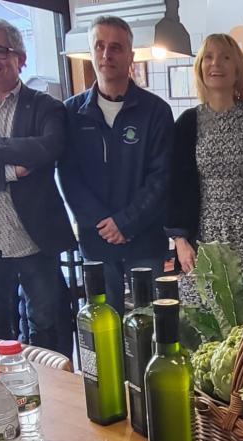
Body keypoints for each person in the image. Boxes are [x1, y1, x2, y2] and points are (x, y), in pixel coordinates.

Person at [0, 17, 76, 349]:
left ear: (20, 58)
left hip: (34, 234)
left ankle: (49, 392)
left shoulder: (46, 106)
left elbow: (47, 148)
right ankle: (6, 395)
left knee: (45, 322)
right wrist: (9, 171)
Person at [60, 15, 174, 317]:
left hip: (145, 241)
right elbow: (69, 177)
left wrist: (126, 222)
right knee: (101, 327)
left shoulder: (156, 112)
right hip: (96, 244)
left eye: (116, 47)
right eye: (99, 46)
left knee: (150, 324)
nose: (106, 55)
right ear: (91, 52)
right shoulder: (71, 113)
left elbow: (161, 178)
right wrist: (104, 225)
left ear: (130, 56)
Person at [165, 33, 243, 305]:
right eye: (208, 57)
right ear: (200, 67)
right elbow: (174, 184)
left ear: (237, 69)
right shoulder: (187, 123)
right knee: (205, 317)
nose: (216, 64)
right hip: (202, 238)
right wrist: (180, 241)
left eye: (225, 57)